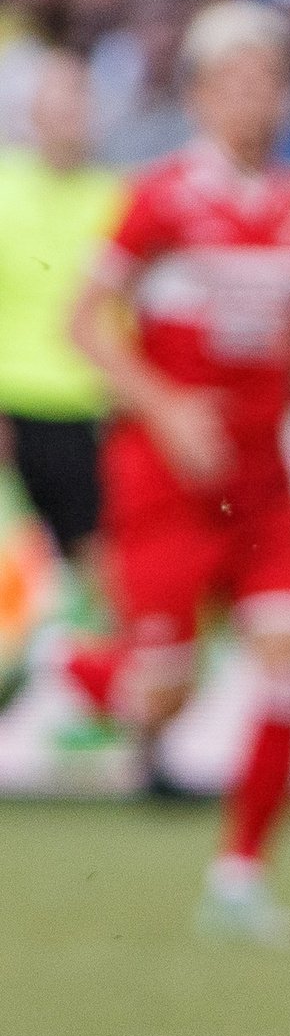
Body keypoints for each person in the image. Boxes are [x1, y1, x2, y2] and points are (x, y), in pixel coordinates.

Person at [62, 0, 290, 942]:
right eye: (236, 79)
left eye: (271, 79)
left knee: (289, 657)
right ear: (199, 93)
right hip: (167, 478)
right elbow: (82, 325)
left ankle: (238, 876)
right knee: (160, 690)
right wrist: (165, 404)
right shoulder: (161, 198)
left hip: (262, 482)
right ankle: (60, 660)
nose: (257, 97)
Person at [0, 49, 122, 706]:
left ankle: (145, 743)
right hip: (12, 413)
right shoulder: (4, 188)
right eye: (57, 100)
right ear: (32, 112)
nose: (69, 114)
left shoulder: (115, 198)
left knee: (112, 585)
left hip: (84, 415)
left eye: (79, 100)